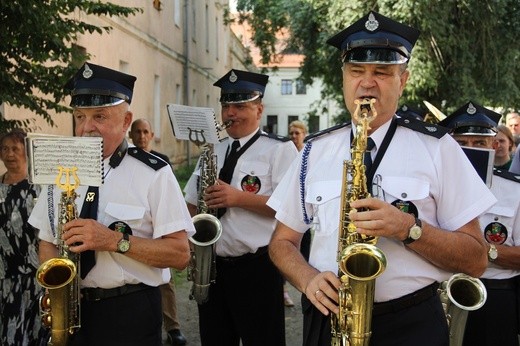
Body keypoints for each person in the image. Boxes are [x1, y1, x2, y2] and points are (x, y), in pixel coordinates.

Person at [267, 11, 497, 346]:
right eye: (356, 71)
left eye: (382, 72)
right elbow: (281, 242)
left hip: (411, 324)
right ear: (344, 77)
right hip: (330, 318)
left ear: (403, 81)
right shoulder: (315, 150)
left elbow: (476, 259)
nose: (367, 82)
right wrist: (307, 279)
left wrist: (408, 228)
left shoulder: (437, 147)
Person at [28, 62, 194, 345]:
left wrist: (114, 240)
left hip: (131, 310)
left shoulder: (155, 172)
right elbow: (47, 239)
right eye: (79, 117)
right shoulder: (62, 167)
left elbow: (179, 254)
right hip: (74, 310)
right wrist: (58, 293)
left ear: (127, 121)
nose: (86, 127)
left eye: (99, 117)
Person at [184, 69, 298, 345]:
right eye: (226, 106)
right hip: (212, 266)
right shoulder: (214, 148)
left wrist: (238, 198)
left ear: (259, 110)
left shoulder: (279, 149)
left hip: (257, 268)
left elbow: (290, 206)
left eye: (240, 106)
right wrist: (188, 243)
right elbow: (189, 200)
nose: (230, 113)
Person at [438, 101, 520, 346]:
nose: (469, 149)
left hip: (494, 296)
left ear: (494, 146)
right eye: (461, 143)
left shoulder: (515, 190)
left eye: (479, 143)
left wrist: (479, 251)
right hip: (440, 292)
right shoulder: (433, 187)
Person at [128, 118, 187, 345]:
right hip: (138, 231)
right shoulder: (125, 162)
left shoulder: (161, 162)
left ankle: (173, 327)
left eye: (145, 132)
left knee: (166, 281)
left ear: (151, 134)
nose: (142, 136)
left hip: (160, 230)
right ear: (131, 135)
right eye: (137, 132)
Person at [0, 129, 43, 346]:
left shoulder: (39, 188)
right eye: (5, 149)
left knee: (37, 331)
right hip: (4, 275)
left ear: (26, 153)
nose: (10, 154)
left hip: (36, 274)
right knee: (10, 334)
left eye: (15, 149)